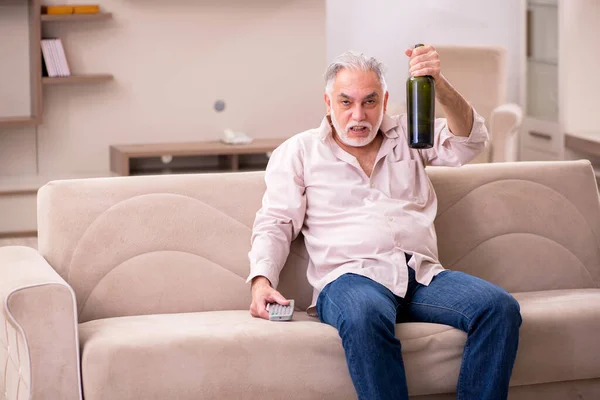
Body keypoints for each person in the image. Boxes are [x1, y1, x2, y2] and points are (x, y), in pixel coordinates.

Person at [246, 46, 522, 400]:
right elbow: (276, 222)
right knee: (364, 314)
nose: (358, 115)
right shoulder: (300, 152)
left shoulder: (411, 134)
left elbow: (470, 142)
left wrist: (439, 85)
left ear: (386, 100)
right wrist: (260, 281)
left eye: (370, 102)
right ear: (328, 103)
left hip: (421, 276)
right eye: (346, 102)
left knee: (499, 308)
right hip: (350, 279)